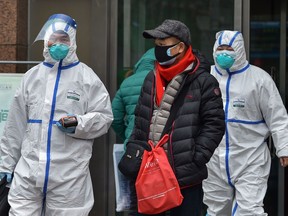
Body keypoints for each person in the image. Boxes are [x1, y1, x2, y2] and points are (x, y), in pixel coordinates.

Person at [0, 13, 113, 215]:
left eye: (64, 39)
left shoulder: (86, 77)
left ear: (73, 41)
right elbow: (14, 126)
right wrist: (6, 164)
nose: (57, 44)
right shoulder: (32, 76)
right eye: (53, 39)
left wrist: (77, 124)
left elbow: (104, 118)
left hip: (69, 175)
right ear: (46, 41)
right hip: (28, 172)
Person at [119, 19, 226, 216]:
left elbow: (215, 124)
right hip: (150, 172)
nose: (158, 50)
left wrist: (196, 157)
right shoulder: (151, 78)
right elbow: (140, 120)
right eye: (156, 46)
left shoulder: (203, 81)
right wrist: (136, 150)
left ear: (180, 47)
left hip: (184, 175)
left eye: (164, 46)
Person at [202, 30, 288, 216]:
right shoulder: (205, 77)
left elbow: (277, 116)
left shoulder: (259, 79)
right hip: (213, 158)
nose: (224, 53)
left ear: (240, 50)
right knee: (216, 210)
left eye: (230, 48)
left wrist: (284, 148)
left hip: (250, 157)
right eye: (221, 48)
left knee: (250, 210)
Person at [111, 48, 155, 148]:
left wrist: (127, 134)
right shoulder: (165, 81)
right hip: (158, 147)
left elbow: (115, 118)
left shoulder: (127, 82)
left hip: (132, 145)